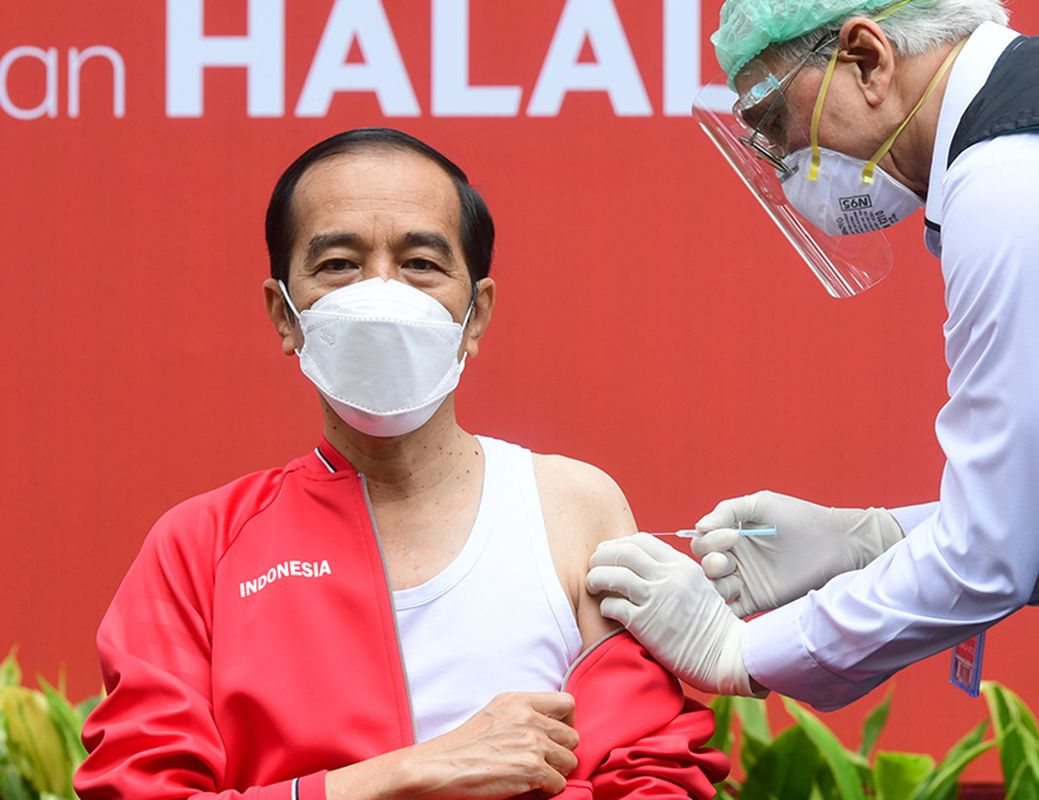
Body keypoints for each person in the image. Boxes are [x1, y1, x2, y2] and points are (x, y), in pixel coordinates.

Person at [586, 1, 1039, 797]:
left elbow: (987, 557)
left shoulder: (1016, 169)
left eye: (774, 118)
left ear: (869, 57)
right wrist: (871, 541)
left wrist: (749, 652)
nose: (778, 159)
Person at [75, 128, 727, 800]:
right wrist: (406, 774)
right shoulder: (200, 546)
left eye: (420, 263)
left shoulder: (570, 507)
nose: (382, 294)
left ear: (477, 315)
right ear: (285, 314)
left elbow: (654, 775)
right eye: (338, 265)